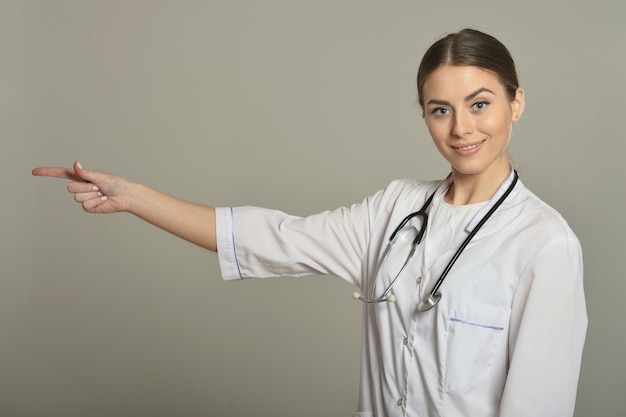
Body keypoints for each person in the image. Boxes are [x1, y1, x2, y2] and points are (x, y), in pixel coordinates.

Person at [32, 28, 587, 417]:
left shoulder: (544, 243)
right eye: (440, 109)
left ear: (516, 104)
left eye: (480, 103)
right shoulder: (396, 209)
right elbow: (273, 239)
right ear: (424, 114)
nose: (461, 127)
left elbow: (538, 406)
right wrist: (135, 197)